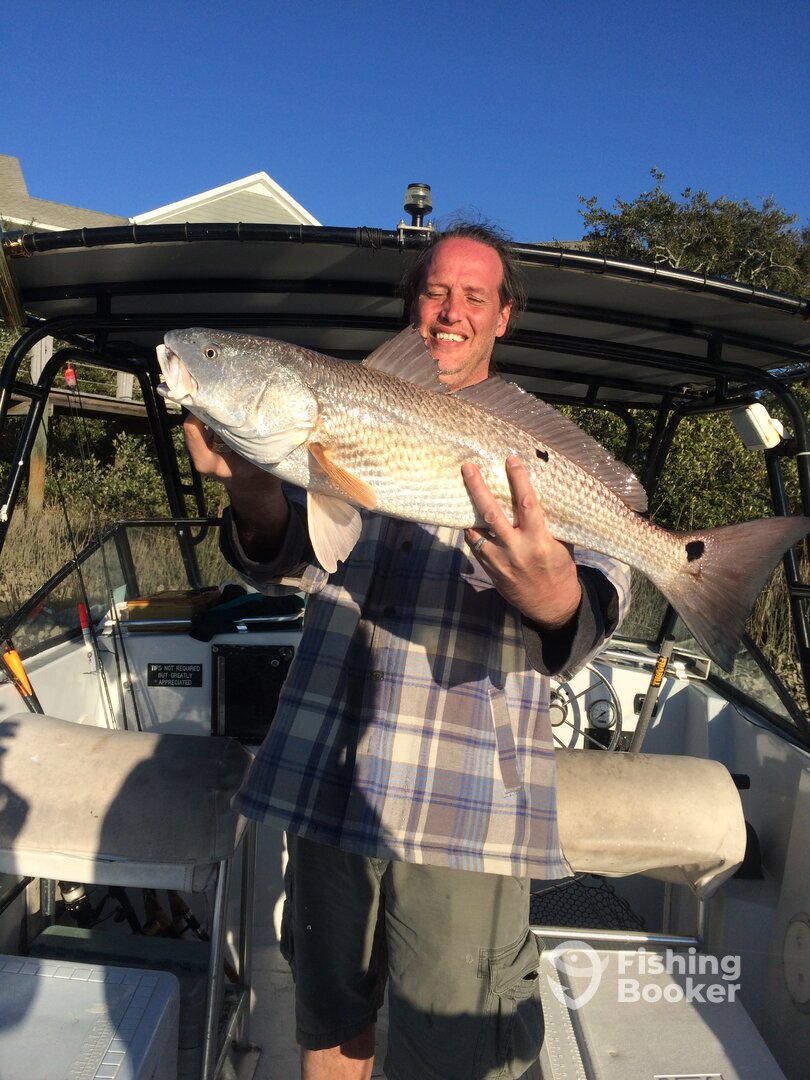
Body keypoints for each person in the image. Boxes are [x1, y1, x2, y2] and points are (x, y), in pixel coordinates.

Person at [184, 222, 631, 1080]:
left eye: (474, 296)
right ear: (412, 307)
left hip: (464, 802)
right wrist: (251, 487)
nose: (451, 311)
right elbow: (289, 550)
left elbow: (598, 589)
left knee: (456, 1053)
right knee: (330, 1023)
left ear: (504, 317)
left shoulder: (537, 445)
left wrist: (557, 599)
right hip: (325, 774)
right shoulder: (349, 400)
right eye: (435, 291)